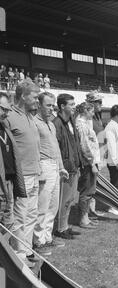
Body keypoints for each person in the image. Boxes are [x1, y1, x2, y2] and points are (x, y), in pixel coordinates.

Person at [6, 80, 41, 262]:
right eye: (34, 97)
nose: (37, 100)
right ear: (23, 96)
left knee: (31, 213)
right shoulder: (9, 116)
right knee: (20, 215)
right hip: (21, 175)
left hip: (34, 173)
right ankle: (18, 254)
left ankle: (26, 250)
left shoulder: (29, 116)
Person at [33, 92, 69, 255]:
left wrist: (61, 167)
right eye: (48, 105)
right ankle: (38, 241)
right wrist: (39, 169)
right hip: (43, 166)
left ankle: (47, 237)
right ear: (39, 105)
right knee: (43, 205)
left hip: (54, 165)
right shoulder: (35, 123)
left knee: (53, 205)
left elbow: (56, 148)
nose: (51, 108)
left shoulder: (51, 124)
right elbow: (34, 149)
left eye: (53, 105)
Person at [53, 94, 82, 240]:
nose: (74, 106)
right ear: (62, 106)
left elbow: (75, 143)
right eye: (71, 104)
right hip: (65, 167)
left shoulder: (70, 120)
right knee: (63, 200)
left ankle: (64, 226)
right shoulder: (56, 123)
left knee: (70, 199)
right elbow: (57, 147)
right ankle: (59, 228)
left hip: (74, 165)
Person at [0, 93, 27, 236]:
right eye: (3, 109)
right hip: (0, 184)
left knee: (8, 222)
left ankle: (7, 257)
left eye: (8, 110)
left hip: (9, 183)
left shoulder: (5, 128)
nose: (6, 113)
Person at [76, 102, 101, 229]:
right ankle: (83, 219)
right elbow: (84, 145)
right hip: (87, 162)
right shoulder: (80, 124)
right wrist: (91, 163)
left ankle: (86, 217)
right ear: (85, 111)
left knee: (90, 190)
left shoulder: (86, 123)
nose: (93, 113)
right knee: (86, 191)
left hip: (91, 161)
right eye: (91, 111)